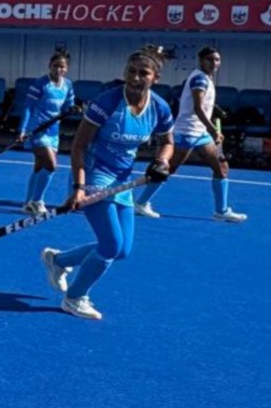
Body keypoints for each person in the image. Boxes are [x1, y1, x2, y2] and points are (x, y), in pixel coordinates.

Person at [41, 46, 176, 321]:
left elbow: (168, 143)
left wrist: (162, 162)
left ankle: (58, 260)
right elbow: (78, 146)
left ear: (155, 78)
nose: (135, 77)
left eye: (143, 73)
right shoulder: (107, 102)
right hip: (94, 175)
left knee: (122, 250)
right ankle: (75, 298)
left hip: (124, 178)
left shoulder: (159, 108)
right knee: (111, 245)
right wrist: (78, 187)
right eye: (131, 71)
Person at [134, 46, 245, 222]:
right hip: (186, 132)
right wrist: (213, 130)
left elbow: (202, 105)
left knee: (221, 168)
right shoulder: (199, 79)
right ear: (201, 61)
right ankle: (141, 203)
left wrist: (214, 111)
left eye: (217, 60)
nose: (214, 63)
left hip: (200, 133)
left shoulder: (205, 78)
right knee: (166, 170)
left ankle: (221, 211)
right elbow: (197, 107)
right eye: (210, 60)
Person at [16, 51, 77, 214]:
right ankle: (37, 201)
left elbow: (68, 106)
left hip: (53, 131)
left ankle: (27, 203)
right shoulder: (40, 84)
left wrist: (73, 109)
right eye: (55, 66)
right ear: (49, 66)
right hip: (36, 130)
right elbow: (28, 107)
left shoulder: (68, 85)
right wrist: (22, 129)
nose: (58, 69)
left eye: (62, 67)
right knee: (51, 165)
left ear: (67, 69)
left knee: (39, 167)